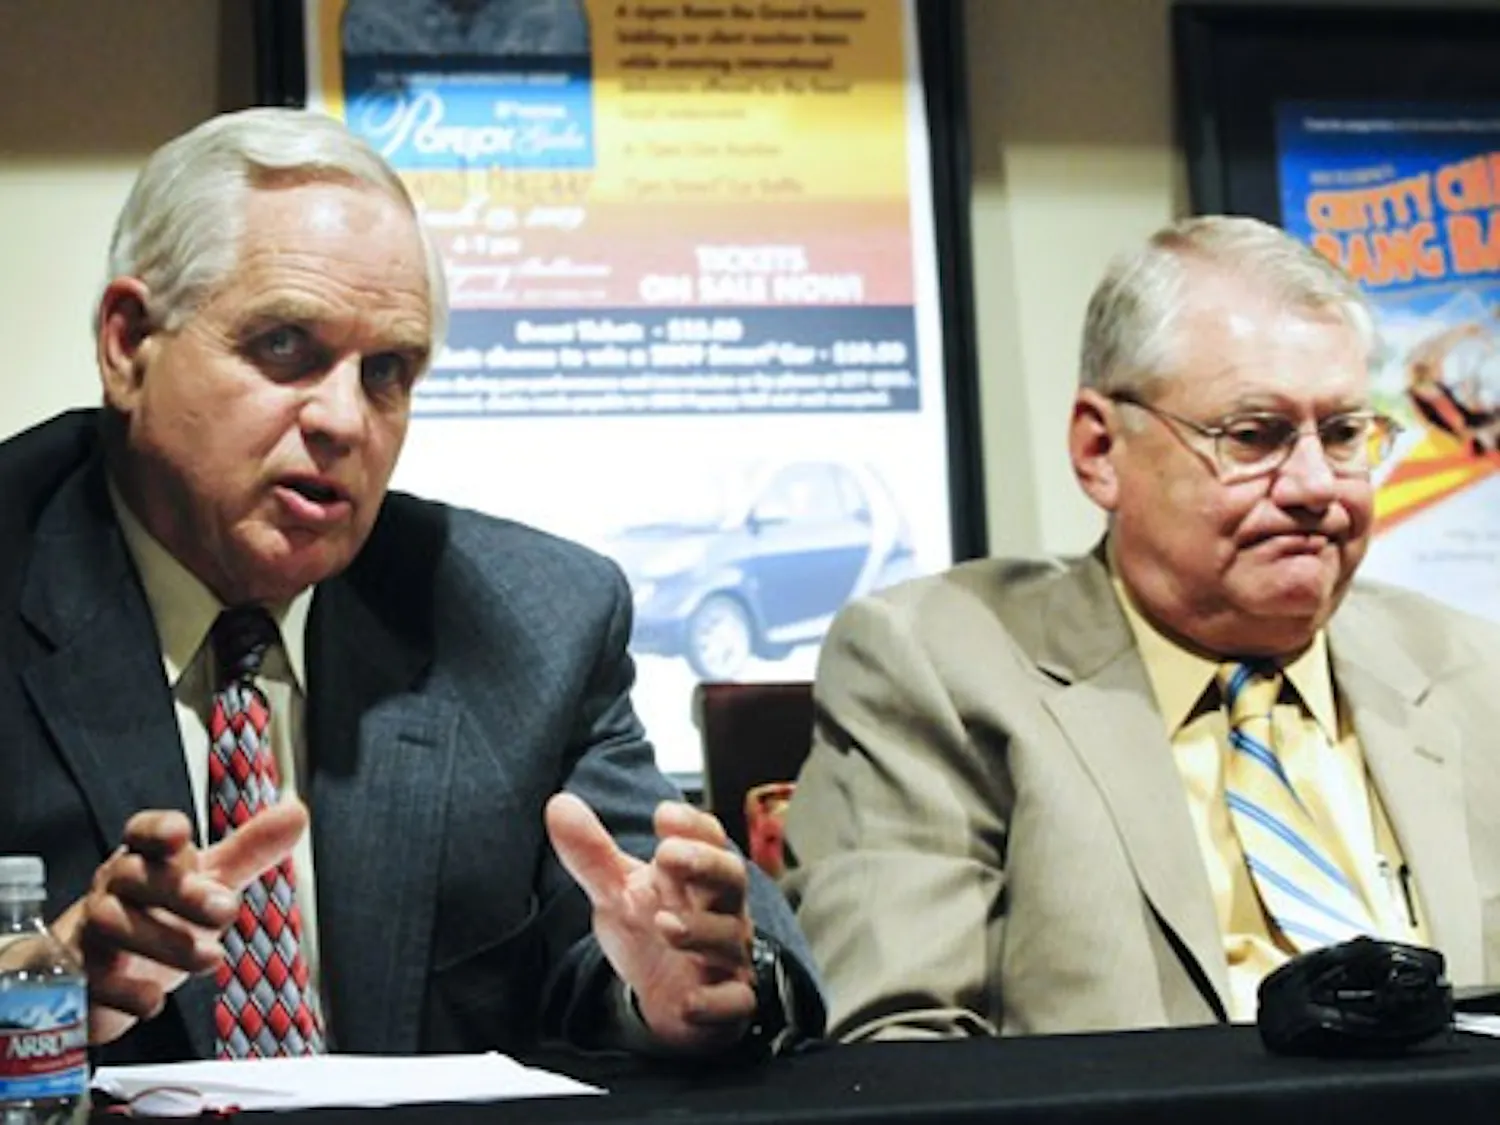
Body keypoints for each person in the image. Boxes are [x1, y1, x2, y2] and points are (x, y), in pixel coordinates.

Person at [0, 107, 822, 1064]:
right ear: (129, 343)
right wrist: (47, 988)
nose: (345, 419)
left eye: (387, 370)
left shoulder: (528, 621)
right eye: (284, 348)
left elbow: (677, 936)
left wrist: (687, 989)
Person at [781, 215, 1500, 1041]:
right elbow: (896, 1050)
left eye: (1343, 434)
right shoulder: (939, 665)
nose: (1313, 484)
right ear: (1099, 450)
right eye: (1255, 435)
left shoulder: (1474, 672)